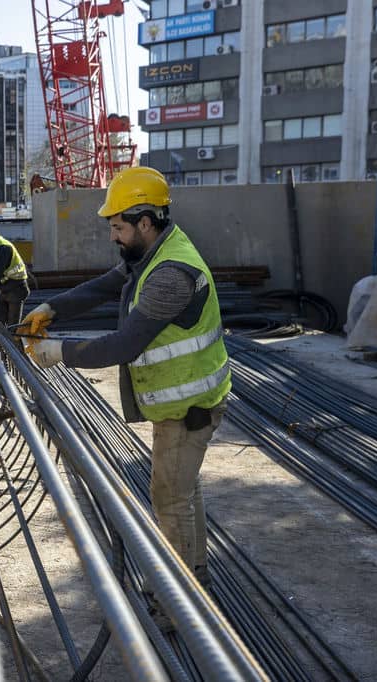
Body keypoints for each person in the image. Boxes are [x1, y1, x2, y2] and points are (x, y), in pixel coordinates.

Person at [19, 167, 231, 617]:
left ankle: (175, 604)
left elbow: (123, 345)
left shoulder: (170, 275)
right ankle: (196, 577)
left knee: (169, 498)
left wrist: (55, 352)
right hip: (183, 400)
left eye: (118, 226)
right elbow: (104, 285)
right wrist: (51, 307)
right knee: (183, 490)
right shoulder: (152, 255)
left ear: (145, 222)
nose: (114, 236)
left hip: (188, 406)